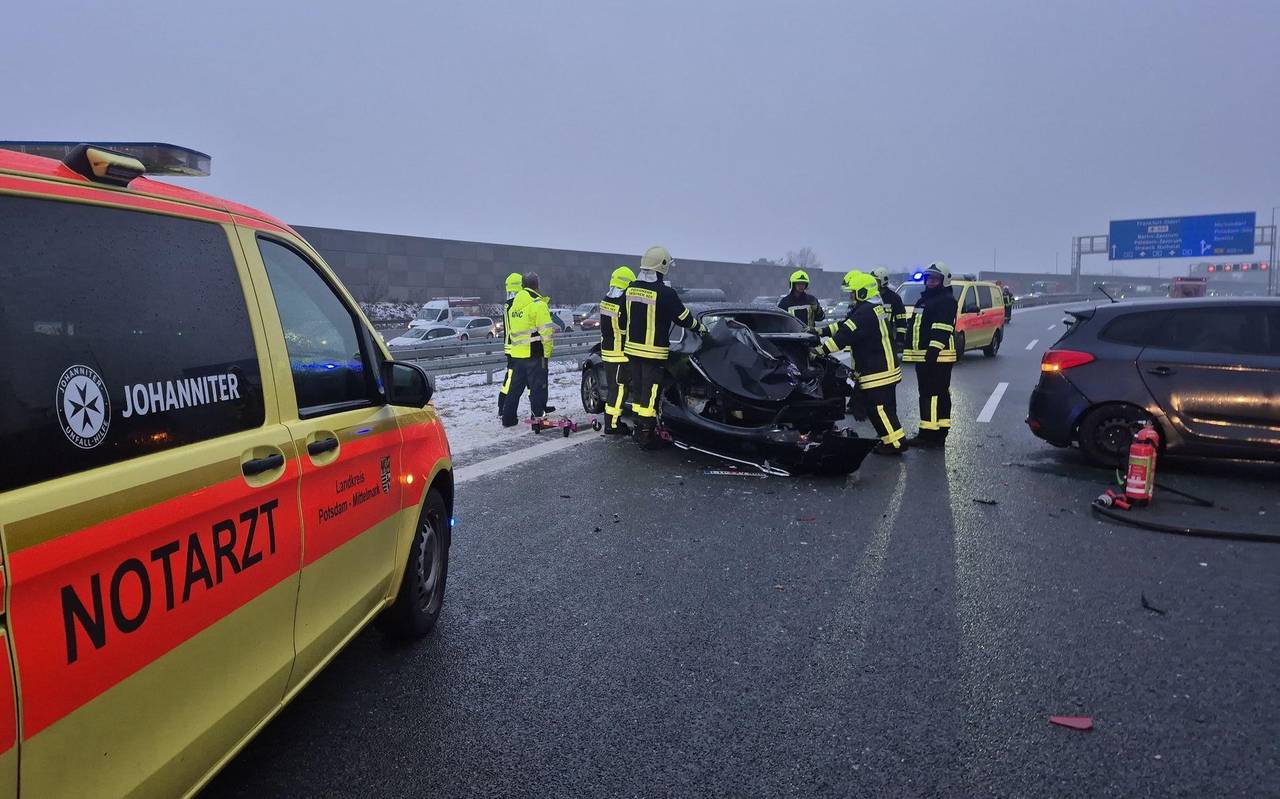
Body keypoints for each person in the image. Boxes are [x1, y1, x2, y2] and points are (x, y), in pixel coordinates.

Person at [814, 271, 906, 455]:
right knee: (886, 409)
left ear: (862, 293)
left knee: (879, 409)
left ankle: (895, 444)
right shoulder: (872, 309)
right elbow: (844, 325)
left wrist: (819, 351)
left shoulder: (864, 313)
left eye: (852, 292)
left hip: (877, 370)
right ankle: (892, 440)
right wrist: (821, 331)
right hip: (884, 367)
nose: (850, 296)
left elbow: (843, 336)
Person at [623, 246, 707, 439]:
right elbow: (683, 318)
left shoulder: (631, 288)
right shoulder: (666, 293)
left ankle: (638, 428)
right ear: (662, 267)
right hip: (652, 353)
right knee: (650, 393)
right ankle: (647, 434)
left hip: (633, 351)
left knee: (638, 391)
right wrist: (700, 328)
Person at [902, 261, 958, 448]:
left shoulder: (946, 300)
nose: (930, 282)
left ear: (944, 281)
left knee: (931, 394)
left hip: (937, 356)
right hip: (926, 355)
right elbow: (917, 326)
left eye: (935, 279)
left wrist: (933, 352)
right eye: (929, 278)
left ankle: (930, 434)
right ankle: (936, 432)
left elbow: (942, 328)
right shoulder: (925, 300)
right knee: (934, 393)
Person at [501, 272, 556, 428]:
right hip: (534, 354)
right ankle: (539, 421)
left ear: (523, 285)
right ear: (537, 285)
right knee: (537, 388)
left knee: (514, 390)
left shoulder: (514, 306)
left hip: (517, 354)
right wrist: (548, 352)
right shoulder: (538, 304)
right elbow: (546, 332)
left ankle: (508, 419)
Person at [599, 265, 635, 433]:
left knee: (614, 387)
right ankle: (612, 425)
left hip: (607, 352)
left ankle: (611, 421)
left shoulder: (606, 300)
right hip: (619, 353)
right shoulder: (623, 303)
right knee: (619, 389)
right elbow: (628, 327)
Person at [497, 271, 523, 416]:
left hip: (514, 348)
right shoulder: (512, 306)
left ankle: (503, 407)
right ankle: (503, 406)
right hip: (515, 349)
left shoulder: (508, 305)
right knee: (511, 379)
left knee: (511, 378)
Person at [870, 266, 906, 349]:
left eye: (876, 281)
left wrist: (900, 339)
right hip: (870, 338)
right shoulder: (869, 296)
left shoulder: (894, 298)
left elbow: (901, 320)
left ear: (883, 281)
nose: (873, 284)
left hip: (887, 339)